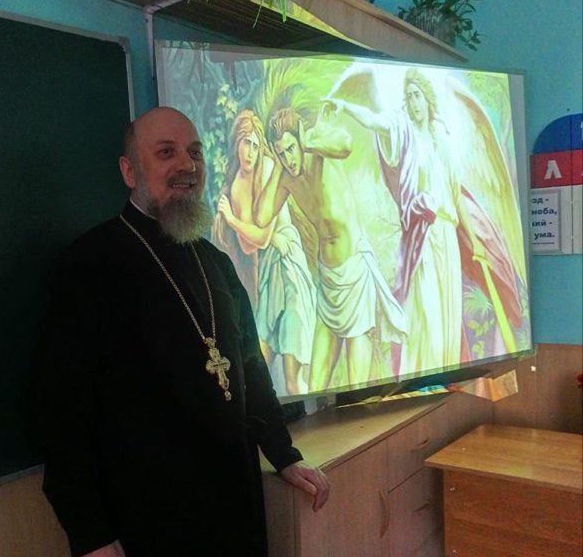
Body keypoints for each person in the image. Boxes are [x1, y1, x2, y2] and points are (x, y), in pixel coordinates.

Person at [33, 106, 329, 557]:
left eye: (193, 152)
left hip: (228, 522)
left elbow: (246, 367)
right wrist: (88, 537)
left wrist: (284, 454)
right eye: (165, 152)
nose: (186, 165)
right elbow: (59, 413)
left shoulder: (214, 261)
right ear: (129, 170)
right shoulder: (89, 265)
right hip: (143, 537)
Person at [329, 67, 522, 376]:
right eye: (409, 97)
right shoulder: (404, 135)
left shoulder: (441, 144)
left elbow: (456, 198)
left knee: (448, 310)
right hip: (424, 235)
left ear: (428, 100)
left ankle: (444, 369)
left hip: (447, 234)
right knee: (427, 309)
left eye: (417, 95)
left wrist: (475, 243)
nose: (413, 102)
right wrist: (346, 107)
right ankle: (422, 370)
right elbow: (375, 121)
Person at [255, 105, 406, 393]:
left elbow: (345, 144)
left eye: (290, 149)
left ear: (300, 141)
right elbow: (261, 217)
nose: (288, 159)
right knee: (316, 387)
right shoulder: (287, 178)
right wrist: (276, 167)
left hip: (355, 276)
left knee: (357, 386)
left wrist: (308, 142)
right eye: (281, 153)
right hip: (328, 283)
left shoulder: (318, 149)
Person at [213, 109, 316, 396]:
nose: (250, 152)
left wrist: (233, 220)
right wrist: (245, 229)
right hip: (269, 269)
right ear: (237, 143)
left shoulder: (269, 168)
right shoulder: (236, 186)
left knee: (292, 364)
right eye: (246, 143)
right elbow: (250, 245)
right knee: (259, 360)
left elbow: (262, 235)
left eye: (256, 146)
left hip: (288, 262)